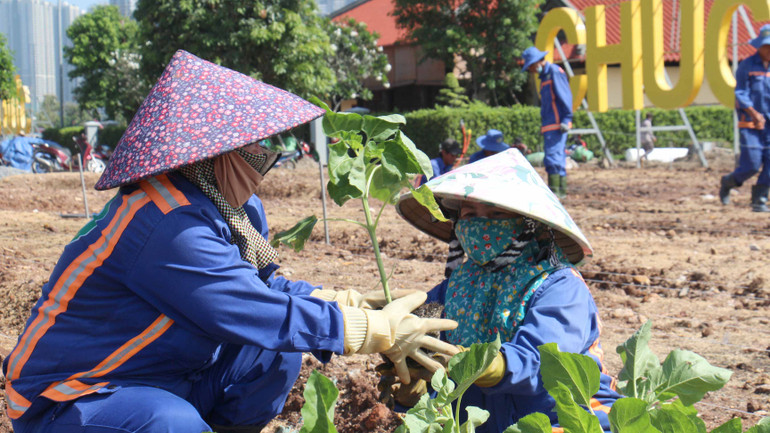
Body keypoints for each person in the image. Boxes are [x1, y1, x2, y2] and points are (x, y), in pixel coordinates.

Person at [2, 50, 459, 433]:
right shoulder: (167, 223)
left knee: (276, 354)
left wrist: (344, 301)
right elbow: (244, 309)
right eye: (256, 149)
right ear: (217, 153)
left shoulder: (230, 208)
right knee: (168, 423)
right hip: (77, 395)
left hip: (166, 373)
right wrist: (363, 331)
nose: (263, 161)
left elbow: (262, 290)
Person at [391, 149, 623, 433]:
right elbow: (422, 342)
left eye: (496, 213)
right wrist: (410, 386)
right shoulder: (455, 285)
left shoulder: (559, 285)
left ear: (527, 223)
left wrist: (484, 366)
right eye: (470, 213)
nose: (481, 223)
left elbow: (545, 363)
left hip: (560, 419)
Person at [719, 24, 770, 212]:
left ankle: (760, 200)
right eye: (766, 46)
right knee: (752, 164)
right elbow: (740, 93)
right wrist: (754, 114)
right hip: (750, 123)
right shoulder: (746, 66)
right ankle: (729, 182)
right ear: (759, 46)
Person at [522, 46, 573, 199]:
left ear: (537, 62)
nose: (531, 70)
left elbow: (565, 96)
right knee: (555, 158)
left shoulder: (555, 72)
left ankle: (556, 194)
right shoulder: (544, 77)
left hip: (558, 125)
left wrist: (567, 119)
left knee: (553, 159)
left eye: (530, 66)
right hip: (549, 126)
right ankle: (559, 193)